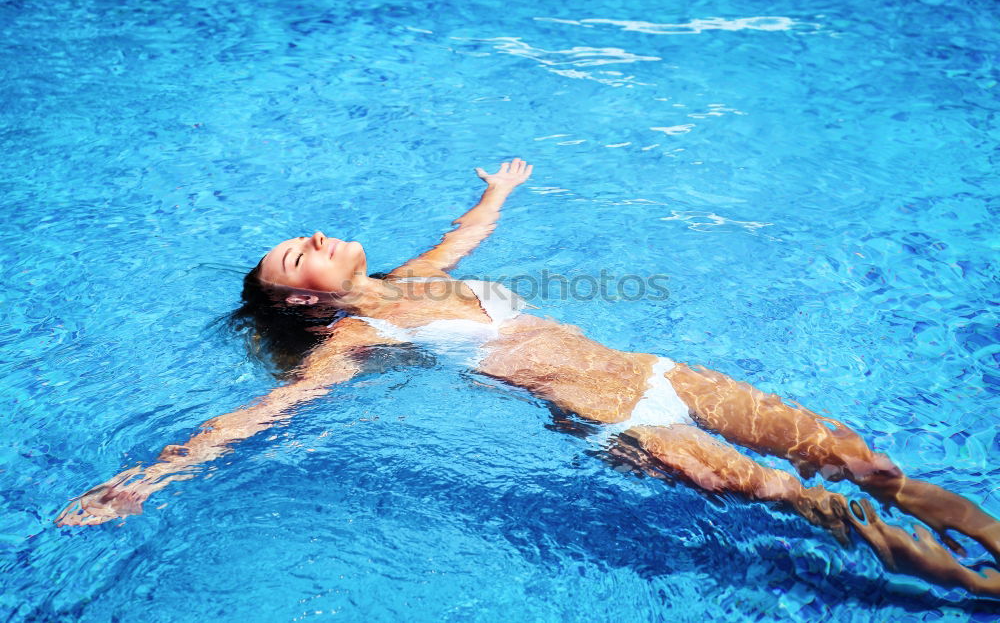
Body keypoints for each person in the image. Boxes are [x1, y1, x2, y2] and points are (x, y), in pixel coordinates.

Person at [56, 159, 1000, 596]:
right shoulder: (350, 343)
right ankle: (975, 587)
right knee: (806, 499)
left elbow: (467, 240)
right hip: (608, 418)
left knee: (859, 461)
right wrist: (150, 477)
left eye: (301, 236)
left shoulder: (411, 279)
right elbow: (266, 413)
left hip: (658, 373)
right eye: (295, 256)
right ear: (306, 306)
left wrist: (498, 190)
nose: (311, 238)